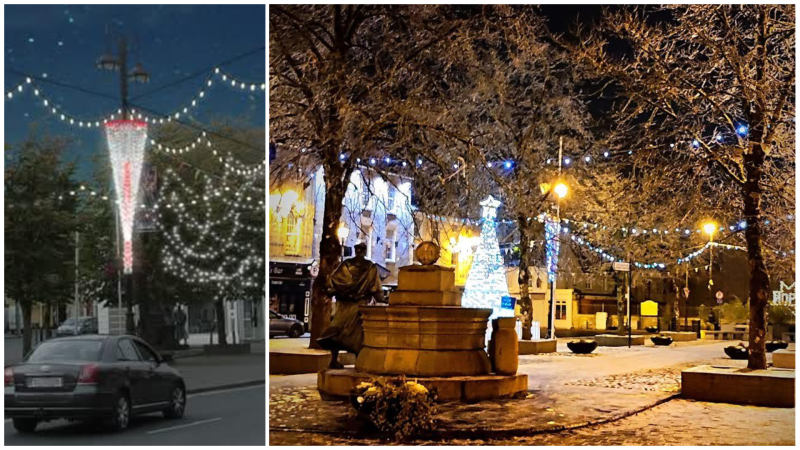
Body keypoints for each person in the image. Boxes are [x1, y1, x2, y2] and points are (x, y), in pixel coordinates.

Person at [317, 242, 384, 369]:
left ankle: (333, 359)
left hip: (343, 305)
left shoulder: (346, 265)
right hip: (360, 305)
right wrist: (384, 299)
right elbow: (376, 288)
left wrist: (333, 292)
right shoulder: (370, 267)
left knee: (337, 330)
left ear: (356, 251)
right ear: (364, 251)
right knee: (358, 334)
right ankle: (358, 361)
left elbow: (334, 281)